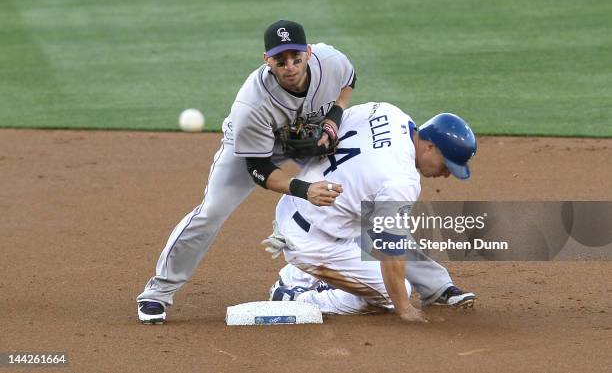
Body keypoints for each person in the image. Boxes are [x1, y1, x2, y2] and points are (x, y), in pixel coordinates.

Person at [137, 19, 356, 323]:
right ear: (267, 60)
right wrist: (304, 190)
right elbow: (259, 168)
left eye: (296, 58)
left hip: (308, 137)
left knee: (355, 184)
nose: (290, 67)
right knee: (211, 211)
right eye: (280, 61)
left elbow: (350, 79)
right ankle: (157, 292)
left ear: (308, 52)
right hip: (252, 148)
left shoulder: (330, 61)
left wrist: (333, 118)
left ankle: (380, 277)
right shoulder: (252, 105)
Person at [263, 102, 477, 322]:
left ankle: (436, 288)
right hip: (312, 241)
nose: (446, 174)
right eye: (446, 165)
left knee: (389, 226)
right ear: (430, 146)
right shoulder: (401, 181)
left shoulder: (388, 113)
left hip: (298, 203)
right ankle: (294, 297)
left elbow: (334, 123)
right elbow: (390, 252)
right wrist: (404, 308)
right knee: (391, 292)